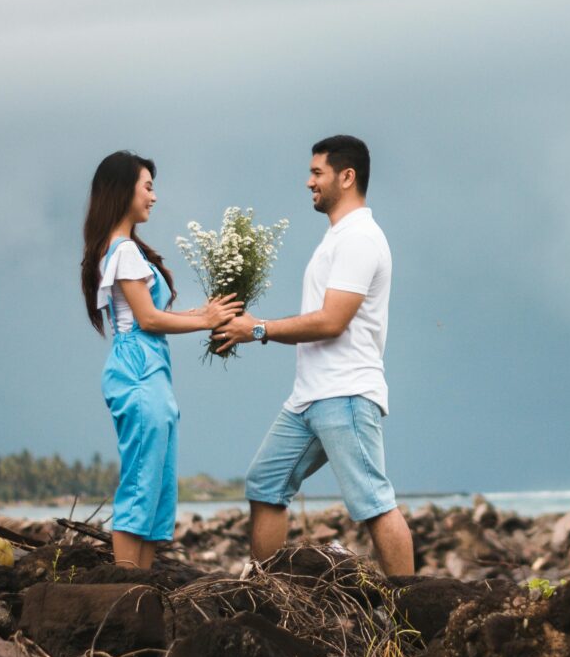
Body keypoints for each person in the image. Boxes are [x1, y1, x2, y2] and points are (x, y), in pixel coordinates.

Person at [215, 135, 414, 576]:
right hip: (309, 398)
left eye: (317, 172)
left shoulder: (361, 237)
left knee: (374, 503)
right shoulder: (337, 237)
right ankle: (267, 592)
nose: (309, 182)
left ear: (347, 176)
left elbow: (331, 321)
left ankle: (410, 614)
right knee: (265, 484)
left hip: (345, 393)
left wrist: (259, 328)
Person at [80, 151, 241, 569]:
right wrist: (205, 318)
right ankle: (125, 588)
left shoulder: (124, 250)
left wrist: (206, 314)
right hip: (138, 371)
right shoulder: (124, 253)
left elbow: (148, 318)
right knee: (140, 484)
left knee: (157, 488)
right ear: (123, 191)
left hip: (149, 370)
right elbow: (148, 319)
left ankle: (142, 589)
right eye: (147, 187)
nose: (153, 197)